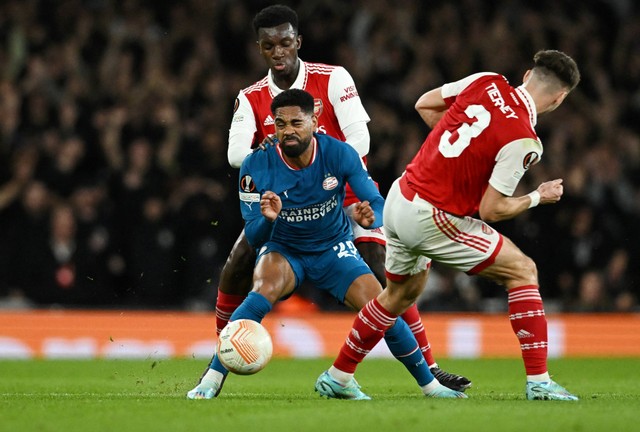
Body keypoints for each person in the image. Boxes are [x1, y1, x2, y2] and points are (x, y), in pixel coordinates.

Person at [213, 4, 470, 390]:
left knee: (383, 266)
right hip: (290, 199)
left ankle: (429, 367)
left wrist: (325, 164)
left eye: (285, 42)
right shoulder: (251, 97)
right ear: (260, 49)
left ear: (297, 42)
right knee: (238, 260)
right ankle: (224, 351)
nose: (278, 51)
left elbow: (361, 138)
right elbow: (235, 156)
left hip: (344, 188)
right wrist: (259, 149)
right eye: (269, 46)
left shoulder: (333, 78)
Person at [316, 50, 581, 401]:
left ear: (528, 73)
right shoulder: (525, 139)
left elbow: (424, 105)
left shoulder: (486, 80)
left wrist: (456, 157)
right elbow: (492, 209)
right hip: (432, 213)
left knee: (397, 296)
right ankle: (540, 382)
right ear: (560, 98)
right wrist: (537, 197)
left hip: (399, 196)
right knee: (522, 270)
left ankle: (338, 375)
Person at [188, 89, 466, 400]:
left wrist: (369, 216)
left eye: (296, 122)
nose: (288, 131)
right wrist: (267, 219)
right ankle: (210, 380)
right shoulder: (257, 165)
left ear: (315, 121)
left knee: (383, 307)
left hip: (333, 249)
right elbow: (254, 237)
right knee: (262, 291)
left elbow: (375, 202)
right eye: (280, 124)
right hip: (284, 248)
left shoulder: (339, 154)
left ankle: (430, 386)